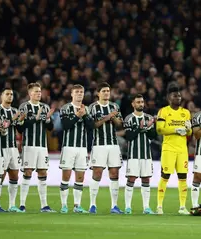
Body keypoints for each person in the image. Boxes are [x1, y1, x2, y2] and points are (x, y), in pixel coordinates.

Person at [18, 83, 55, 212]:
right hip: (29, 145)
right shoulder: (24, 107)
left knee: (43, 172)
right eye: (36, 91)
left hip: (42, 146)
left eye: (40, 91)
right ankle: (22, 204)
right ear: (30, 93)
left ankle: (44, 205)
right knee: (27, 172)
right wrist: (36, 118)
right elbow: (20, 128)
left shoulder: (45, 107)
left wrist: (48, 119)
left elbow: (50, 128)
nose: (39, 93)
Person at [156, 83, 192, 215]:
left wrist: (188, 129)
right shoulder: (163, 111)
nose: (178, 97)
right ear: (169, 97)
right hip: (168, 149)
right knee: (165, 176)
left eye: (179, 95)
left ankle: (182, 207)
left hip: (182, 150)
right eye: (175, 95)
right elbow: (159, 129)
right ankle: (159, 206)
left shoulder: (186, 113)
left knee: (183, 177)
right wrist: (175, 129)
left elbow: (189, 133)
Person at [88, 82, 124, 214]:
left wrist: (114, 118)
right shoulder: (92, 107)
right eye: (104, 91)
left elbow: (120, 125)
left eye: (108, 91)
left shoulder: (115, 106)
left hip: (113, 144)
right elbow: (91, 125)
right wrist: (107, 118)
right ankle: (92, 205)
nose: (106, 93)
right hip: (99, 144)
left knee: (114, 173)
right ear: (98, 93)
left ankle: (114, 205)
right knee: (97, 173)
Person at [59, 84, 95, 213]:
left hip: (82, 148)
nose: (79, 94)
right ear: (72, 94)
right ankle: (64, 205)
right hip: (68, 147)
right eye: (77, 92)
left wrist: (84, 115)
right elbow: (65, 126)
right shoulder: (65, 108)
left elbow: (91, 127)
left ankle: (77, 206)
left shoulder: (87, 109)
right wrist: (77, 116)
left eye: (81, 92)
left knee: (80, 177)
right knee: (66, 176)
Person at [123, 94, 157, 214]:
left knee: (146, 180)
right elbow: (129, 137)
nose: (140, 104)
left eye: (142, 102)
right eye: (138, 102)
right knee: (131, 179)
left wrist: (149, 128)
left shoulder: (148, 118)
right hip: (133, 155)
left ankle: (146, 207)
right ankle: (128, 207)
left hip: (146, 155)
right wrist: (140, 127)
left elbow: (153, 136)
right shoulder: (128, 119)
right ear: (133, 104)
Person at [0, 88, 25, 212]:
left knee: (14, 176)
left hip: (13, 148)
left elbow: (19, 129)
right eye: (7, 94)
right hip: (1, 148)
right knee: (0, 176)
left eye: (11, 94)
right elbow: (1, 126)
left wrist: (21, 120)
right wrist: (14, 119)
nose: (10, 96)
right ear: (2, 96)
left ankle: (12, 205)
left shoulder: (14, 110)